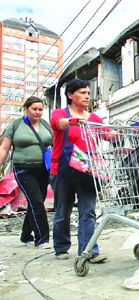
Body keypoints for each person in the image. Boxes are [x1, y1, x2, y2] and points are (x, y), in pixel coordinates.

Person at [50, 79, 107, 262]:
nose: (86, 96)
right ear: (70, 95)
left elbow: (107, 134)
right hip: (63, 170)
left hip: (88, 172)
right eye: (82, 92)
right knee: (62, 211)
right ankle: (61, 247)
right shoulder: (61, 113)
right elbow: (58, 123)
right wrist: (71, 121)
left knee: (88, 211)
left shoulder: (95, 118)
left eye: (88, 93)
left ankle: (88, 250)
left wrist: (123, 132)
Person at [0, 96, 52, 249]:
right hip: (23, 169)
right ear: (26, 109)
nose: (37, 112)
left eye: (40, 109)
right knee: (36, 201)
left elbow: (54, 144)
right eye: (34, 109)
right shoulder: (16, 125)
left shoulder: (44, 124)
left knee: (36, 202)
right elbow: (4, 148)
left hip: (43, 169)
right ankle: (42, 239)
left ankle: (25, 235)